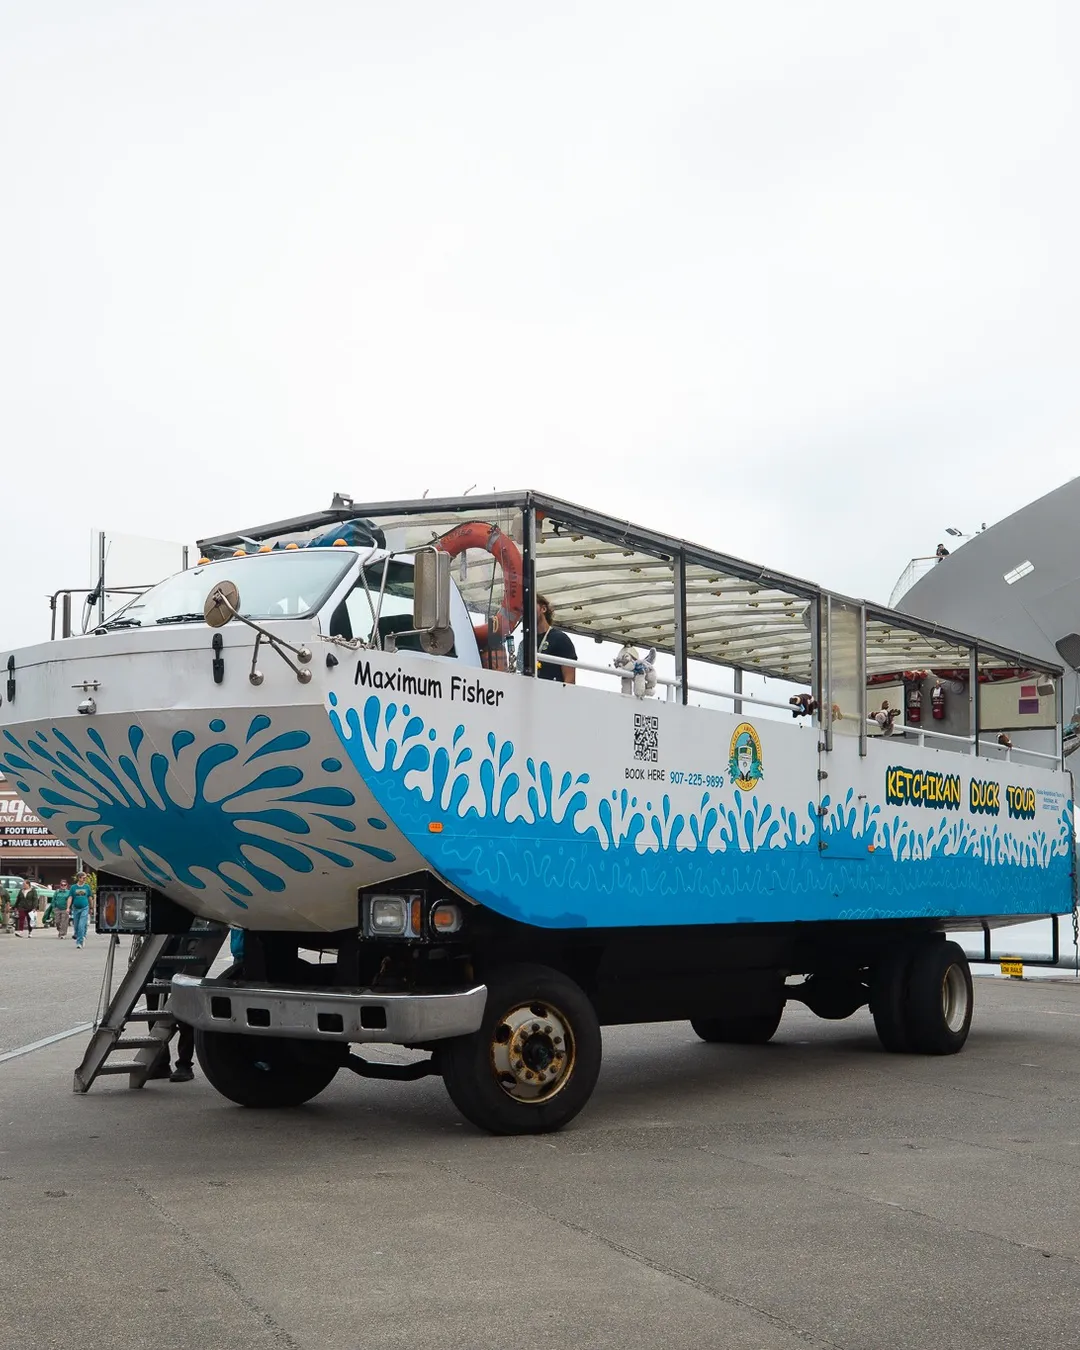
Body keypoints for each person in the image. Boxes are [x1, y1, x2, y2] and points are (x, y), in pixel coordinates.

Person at [536, 594, 577, 684]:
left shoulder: (560, 639)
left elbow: (570, 679)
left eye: (530, 606)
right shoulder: (525, 643)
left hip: (553, 694)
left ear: (543, 609)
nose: (527, 610)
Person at [68, 871, 93, 949]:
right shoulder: (73, 887)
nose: (85, 879)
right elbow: (70, 897)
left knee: (81, 925)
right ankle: (82, 935)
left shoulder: (87, 887)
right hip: (75, 908)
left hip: (84, 908)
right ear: (79, 878)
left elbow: (90, 897)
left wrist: (91, 907)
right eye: (83, 878)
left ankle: (79, 942)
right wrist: (68, 907)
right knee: (76, 926)